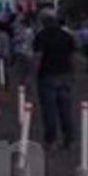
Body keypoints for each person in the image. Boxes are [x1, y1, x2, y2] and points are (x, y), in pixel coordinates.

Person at [32, 11, 76, 149]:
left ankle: (51, 140)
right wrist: (72, 73)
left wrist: (34, 74)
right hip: (65, 74)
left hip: (47, 75)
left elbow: (38, 57)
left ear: (43, 22)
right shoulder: (67, 36)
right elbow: (72, 57)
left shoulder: (41, 36)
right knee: (66, 109)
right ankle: (69, 139)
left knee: (49, 110)